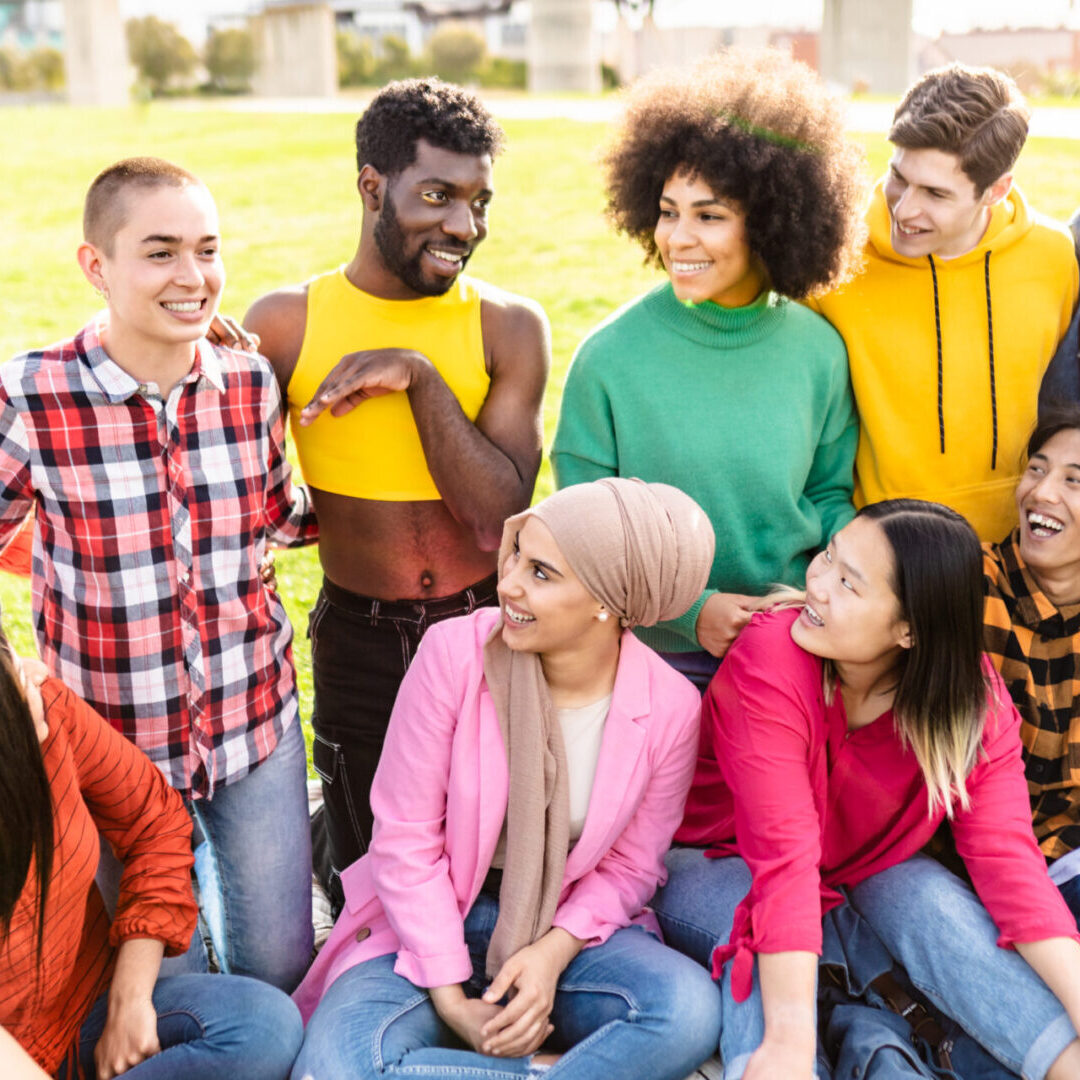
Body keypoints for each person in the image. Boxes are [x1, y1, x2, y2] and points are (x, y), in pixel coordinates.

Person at [0, 157, 319, 991]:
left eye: (208, 251)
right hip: (114, 751)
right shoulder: (30, 395)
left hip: (252, 726)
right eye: (161, 252)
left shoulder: (249, 386)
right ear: (96, 266)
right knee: (160, 995)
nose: (194, 277)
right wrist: (15, 677)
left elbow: (285, 520)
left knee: (280, 971)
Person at [290, 479, 721, 1080]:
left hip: (563, 921)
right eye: (518, 553)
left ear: (608, 601)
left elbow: (632, 866)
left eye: (542, 573)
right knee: (342, 1062)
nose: (508, 582)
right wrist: (451, 1000)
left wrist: (550, 956)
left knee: (687, 1011)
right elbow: (405, 837)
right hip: (432, 916)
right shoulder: (453, 654)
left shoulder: (671, 707)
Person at [244, 78, 550, 898]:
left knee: (489, 872)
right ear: (372, 186)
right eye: (439, 196)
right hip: (360, 640)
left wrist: (419, 380)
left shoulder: (506, 326)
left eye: (480, 202)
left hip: (487, 627)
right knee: (369, 891)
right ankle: (328, 842)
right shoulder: (285, 325)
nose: (465, 226)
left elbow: (496, 521)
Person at [652, 500, 1080, 1080]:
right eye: (828, 558)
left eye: (849, 584)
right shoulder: (771, 655)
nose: (818, 586)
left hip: (861, 868)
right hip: (716, 859)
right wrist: (788, 1043)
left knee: (928, 899)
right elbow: (784, 855)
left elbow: (1010, 865)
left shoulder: (971, 704)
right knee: (745, 917)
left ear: (909, 629)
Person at [551, 49, 864, 689]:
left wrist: (835, 585)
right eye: (668, 211)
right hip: (651, 659)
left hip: (796, 647)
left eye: (710, 215)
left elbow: (830, 494)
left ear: (773, 222)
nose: (678, 238)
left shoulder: (818, 351)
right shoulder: (609, 357)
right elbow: (580, 530)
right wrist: (690, 614)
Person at [0, 644, 303, 1079]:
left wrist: (129, 1002)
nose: (31, 669)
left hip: (84, 1015)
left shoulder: (45, 706)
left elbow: (153, 817)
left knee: (265, 1025)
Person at [811, 64, 1078, 542]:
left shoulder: (1054, 256)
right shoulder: (833, 258)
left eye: (935, 193)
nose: (905, 209)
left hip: (1019, 553)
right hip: (885, 555)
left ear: (996, 190)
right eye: (898, 177)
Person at [983, 404, 1080, 928]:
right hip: (982, 868)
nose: (1042, 493)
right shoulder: (966, 585)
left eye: (1074, 481)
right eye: (1037, 469)